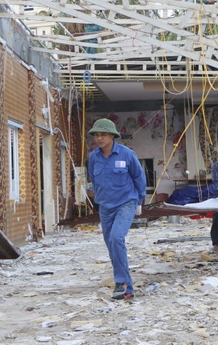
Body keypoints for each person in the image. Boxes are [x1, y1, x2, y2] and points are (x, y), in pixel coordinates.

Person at [87, 118, 146, 301]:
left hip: (126, 203)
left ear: (112, 136)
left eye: (103, 134)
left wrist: (139, 202)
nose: (99, 138)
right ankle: (126, 286)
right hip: (105, 206)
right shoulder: (93, 157)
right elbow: (94, 180)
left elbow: (139, 177)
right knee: (111, 245)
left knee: (116, 238)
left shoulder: (126, 154)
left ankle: (121, 282)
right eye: (96, 135)